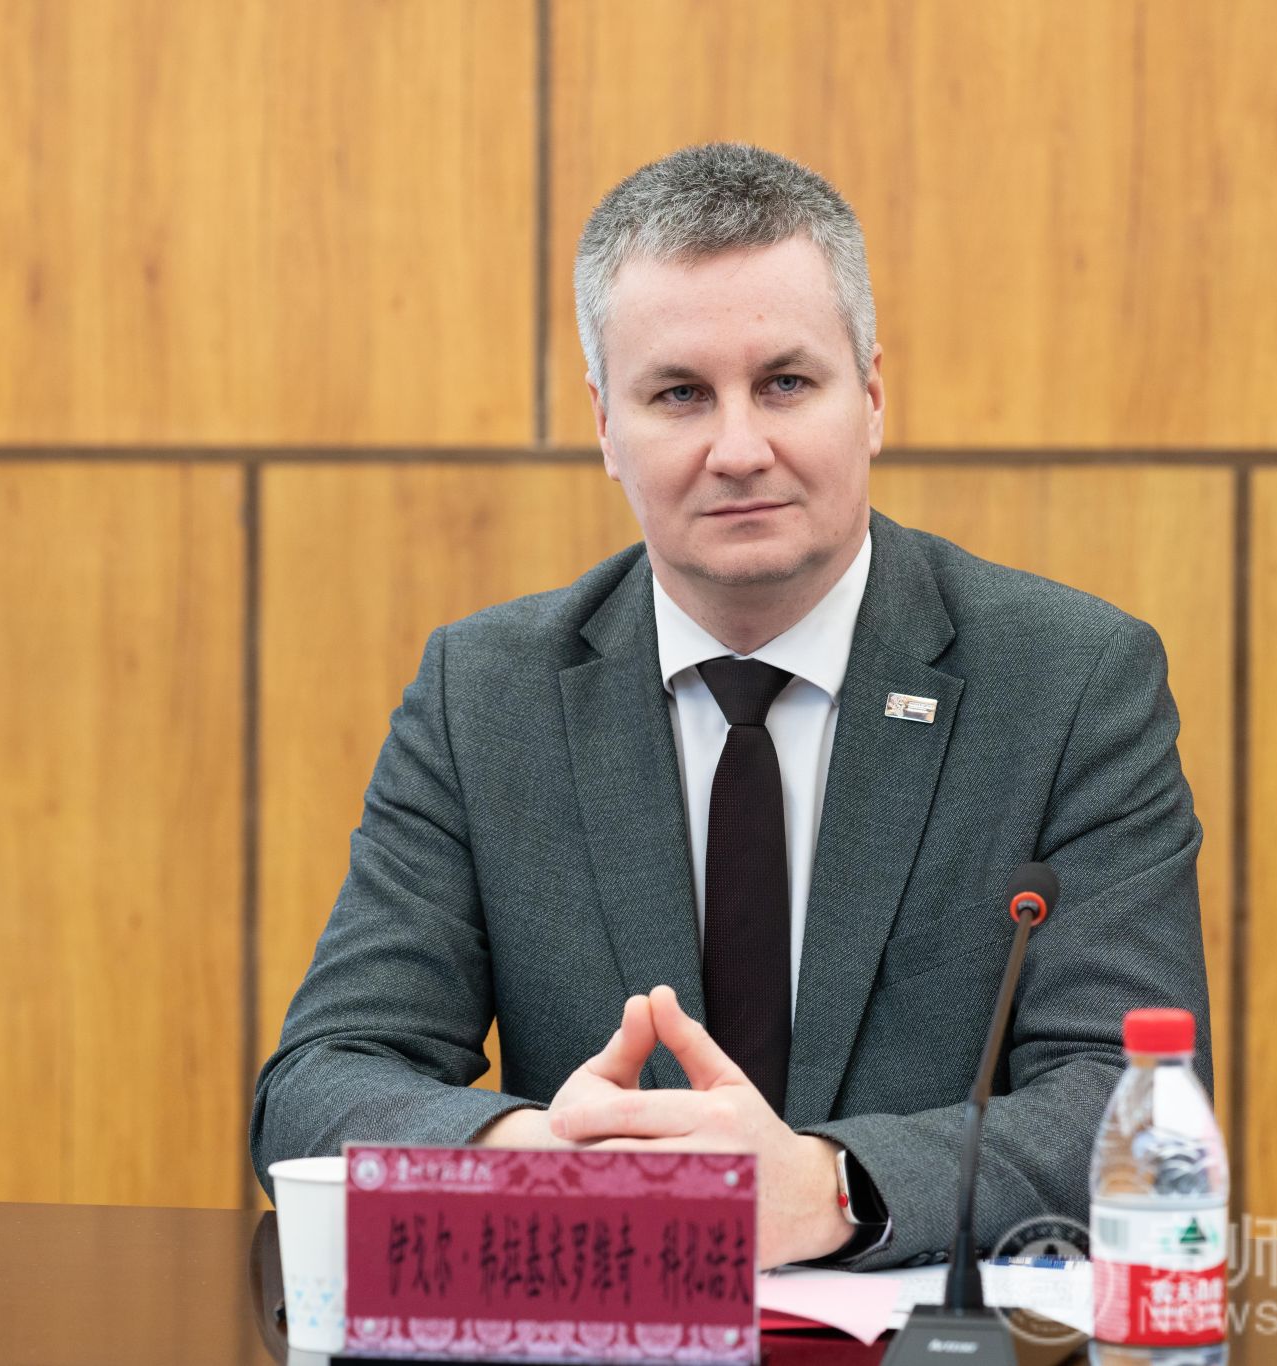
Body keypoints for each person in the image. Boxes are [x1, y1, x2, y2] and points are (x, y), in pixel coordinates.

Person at [251, 143, 1211, 1271]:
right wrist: (550, 1162)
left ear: (872, 398)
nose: (740, 449)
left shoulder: (1069, 682)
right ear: (606, 427)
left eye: (786, 383)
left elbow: (1132, 1101)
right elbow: (320, 1081)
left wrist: (830, 1185)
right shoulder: (486, 696)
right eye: (679, 395)